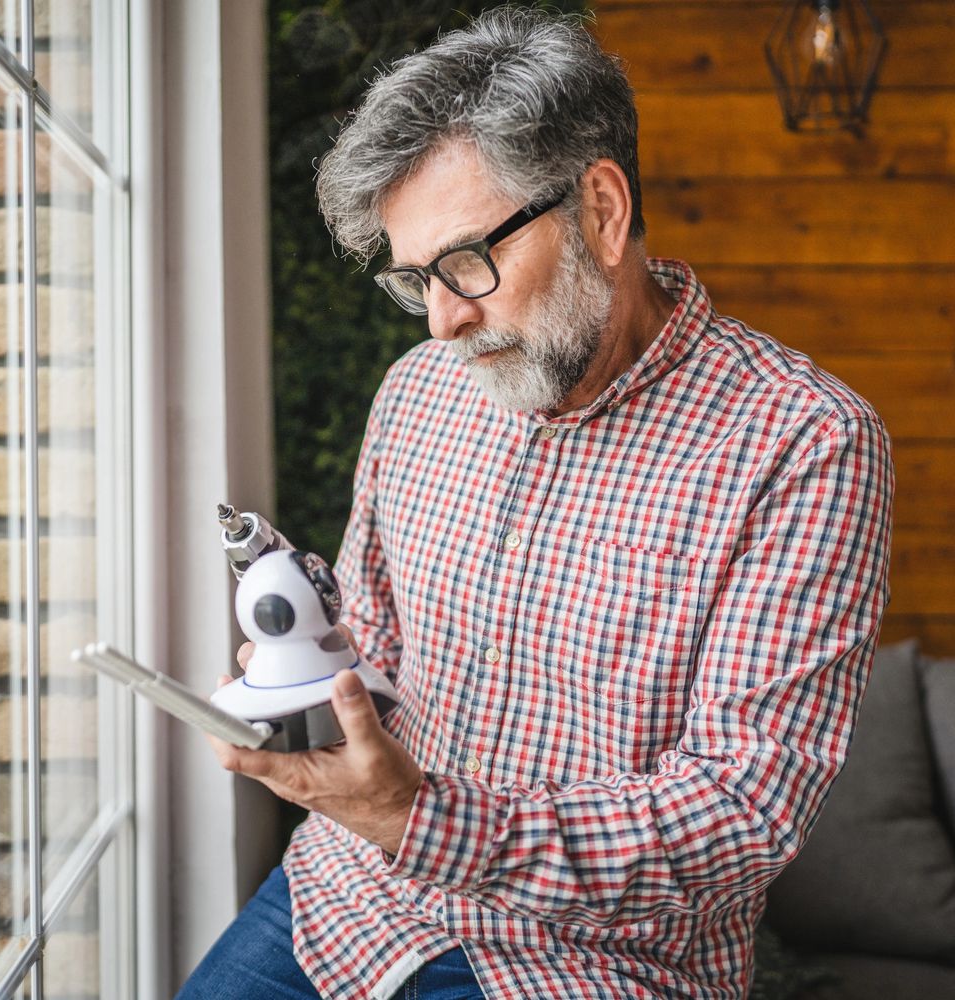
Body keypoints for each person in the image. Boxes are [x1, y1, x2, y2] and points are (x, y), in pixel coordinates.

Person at [177, 7, 893, 999]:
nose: (442, 318)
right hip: (347, 900)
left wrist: (422, 817)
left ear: (599, 209)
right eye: (414, 278)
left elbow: (740, 813)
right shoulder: (418, 390)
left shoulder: (802, 443)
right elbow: (376, 639)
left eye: (468, 261)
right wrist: (307, 682)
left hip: (585, 964)